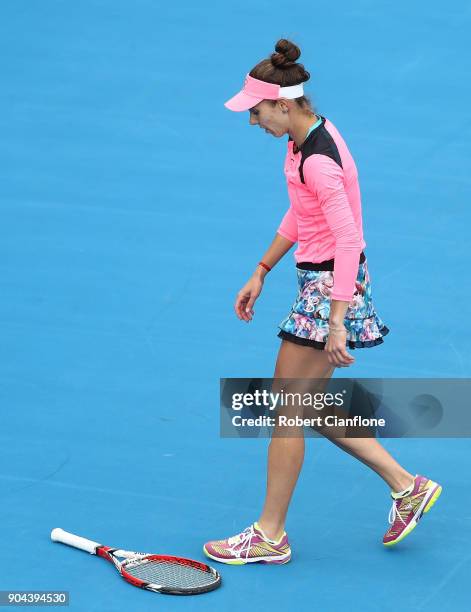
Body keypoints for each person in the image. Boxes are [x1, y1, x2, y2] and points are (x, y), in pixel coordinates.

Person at [203, 39, 442, 565]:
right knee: (305, 404)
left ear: (283, 105)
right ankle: (407, 486)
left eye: (257, 111)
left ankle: (269, 534)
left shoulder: (320, 161)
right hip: (318, 280)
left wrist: (336, 321)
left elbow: (349, 239)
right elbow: (300, 215)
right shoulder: (302, 141)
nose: (252, 121)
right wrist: (262, 269)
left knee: (286, 408)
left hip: (331, 287)